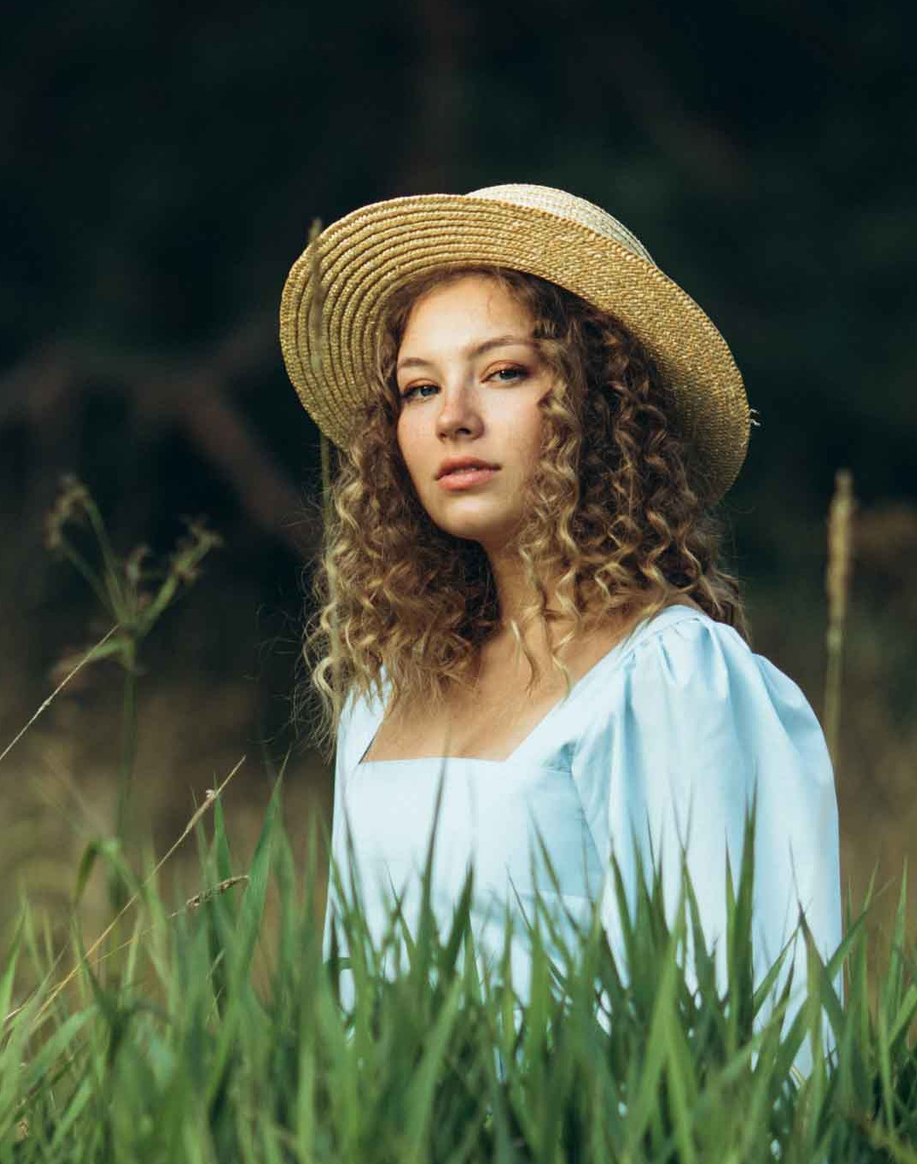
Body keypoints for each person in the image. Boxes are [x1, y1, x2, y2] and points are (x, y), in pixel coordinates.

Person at [279, 183, 844, 1085]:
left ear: (600, 402)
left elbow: (754, 1030)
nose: (453, 416)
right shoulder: (387, 693)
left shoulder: (670, 678)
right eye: (419, 387)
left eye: (504, 372)